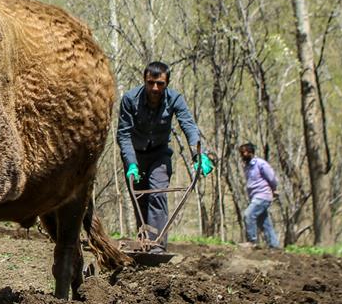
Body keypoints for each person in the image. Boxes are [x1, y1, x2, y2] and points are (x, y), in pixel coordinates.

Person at [117, 61, 214, 253]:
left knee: (158, 194)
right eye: (151, 82)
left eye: (160, 84)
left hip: (159, 155)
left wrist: (198, 154)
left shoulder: (175, 99)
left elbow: (188, 125)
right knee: (140, 200)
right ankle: (144, 244)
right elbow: (124, 134)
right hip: (135, 155)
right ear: (145, 81)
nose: (155, 88)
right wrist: (131, 164)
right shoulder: (130, 99)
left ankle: (157, 249)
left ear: (166, 83)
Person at [238, 142, 280, 249]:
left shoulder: (260, 164)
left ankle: (252, 242)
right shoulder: (247, 167)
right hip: (255, 196)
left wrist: (274, 189)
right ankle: (274, 245)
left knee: (248, 214)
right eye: (241, 153)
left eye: (244, 152)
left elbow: (272, 178)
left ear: (250, 152)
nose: (242, 155)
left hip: (263, 195)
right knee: (264, 222)